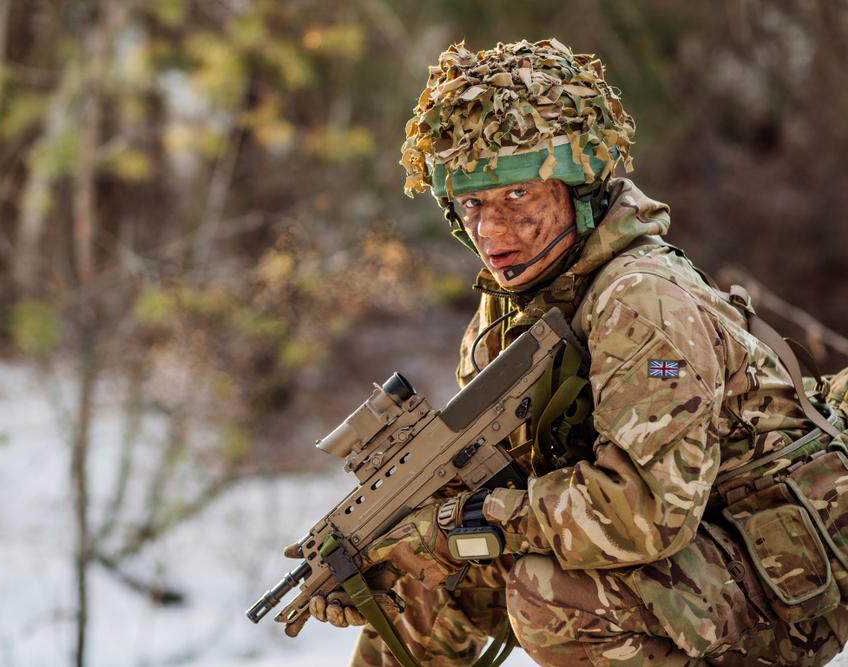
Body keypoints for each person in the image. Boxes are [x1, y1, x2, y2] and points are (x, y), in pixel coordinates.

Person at [299, 40, 848, 667]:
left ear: (579, 188)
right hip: (687, 563)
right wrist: (391, 555)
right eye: (472, 203)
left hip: (776, 587)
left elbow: (645, 512)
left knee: (548, 596)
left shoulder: (640, 302)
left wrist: (457, 526)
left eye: (518, 198)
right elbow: (491, 481)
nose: (490, 231)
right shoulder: (511, 304)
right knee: (425, 582)